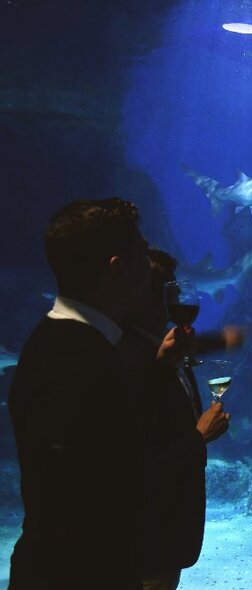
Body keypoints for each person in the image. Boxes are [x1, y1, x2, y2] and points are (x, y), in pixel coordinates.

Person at [7, 198, 160, 588]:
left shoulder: (73, 342)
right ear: (118, 269)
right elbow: (72, 506)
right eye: (144, 253)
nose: (153, 264)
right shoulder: (73, 357)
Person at [118, 248, 231, 590]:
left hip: (168, 532)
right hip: (147, 537)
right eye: (168, 290)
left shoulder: (162, 351)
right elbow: (131, 459)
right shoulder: (127, 357)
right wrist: (198, 437)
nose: (176, 298)